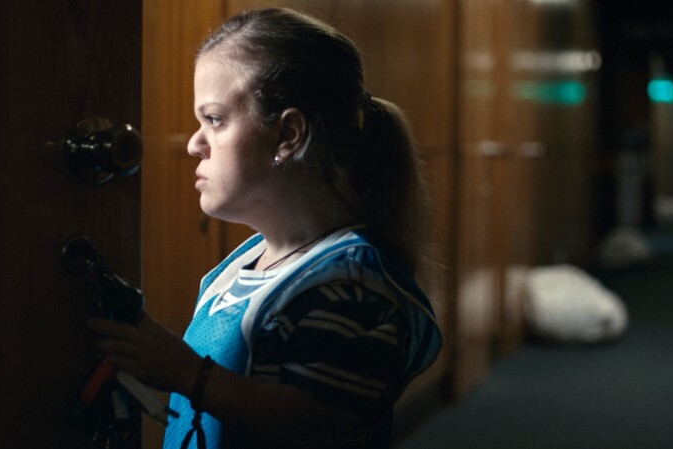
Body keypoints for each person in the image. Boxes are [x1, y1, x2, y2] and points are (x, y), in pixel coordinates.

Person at [87, 7, 442, 449]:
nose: (195, 144)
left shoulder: (351, 283)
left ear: (288, 135)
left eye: (214, 120)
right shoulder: (245, 261)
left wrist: (184, 371)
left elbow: (324, 424)